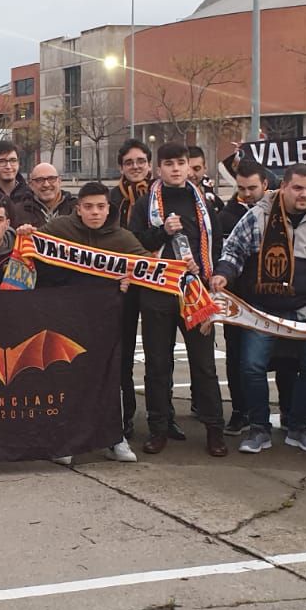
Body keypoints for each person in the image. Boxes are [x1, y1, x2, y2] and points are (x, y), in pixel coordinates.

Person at [17, 181, 144, 463]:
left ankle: (115, 438)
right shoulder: (61, 228)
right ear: (79, 208)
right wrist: (26, 233)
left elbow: (150, 268)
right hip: (68, 317)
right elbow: (34, 245)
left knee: (110, 378)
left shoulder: (123, 239)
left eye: (100, 207)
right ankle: (66, 441)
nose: (95, 213)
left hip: (106, 322)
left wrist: (130, 280)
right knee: (68, 377)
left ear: (108, 208)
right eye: (88, 207)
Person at [211, 165, 306, 454]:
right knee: (251, 368)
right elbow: (234, 251)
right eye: (298, 188)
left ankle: (299, 428)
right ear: (284, 187)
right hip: (262, 310)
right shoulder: (257, 216)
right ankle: (258, 429)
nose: (304, 195)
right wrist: (223, 274)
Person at [128, 142, 228, 458]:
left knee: (204, 365)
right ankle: (159, 428)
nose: (175, 168)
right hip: (157, 292)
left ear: (189, 166)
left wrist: (208, 269)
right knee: (158, 364)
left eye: (180, 163)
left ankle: (214, 430)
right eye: (168, 163)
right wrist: (160, 231)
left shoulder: (204, 204)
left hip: (194, 292)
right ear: (158, 169)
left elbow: (217, 244)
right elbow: (134, 246)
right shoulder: (145, 205)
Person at [213, 161, 269, 435]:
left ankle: (286, 411)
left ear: (265, 185)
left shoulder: (276, 213)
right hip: (236, 300)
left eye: (252, 188)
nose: (247, 193)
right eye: (241, 188)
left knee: (279, 358)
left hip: (268, 298)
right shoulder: (226, 216)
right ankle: (239, 411)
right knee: (235, 357)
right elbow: (224, 255)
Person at [109, 138, 152, 439]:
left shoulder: (161, 196)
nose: (135, 167)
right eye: (129, 163)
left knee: (157, 353)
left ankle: (163, 418)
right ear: (121, 167)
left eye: (140, 161)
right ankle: (125, 417)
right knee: (121, 354)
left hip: (153, 284)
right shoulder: (111, 199)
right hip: (120, 286)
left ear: (149, 165)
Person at [0, 140, 42, 226]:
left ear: (18, 163)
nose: (8, 166)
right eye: (2, 161)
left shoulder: (31, 196)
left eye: (13, 160)